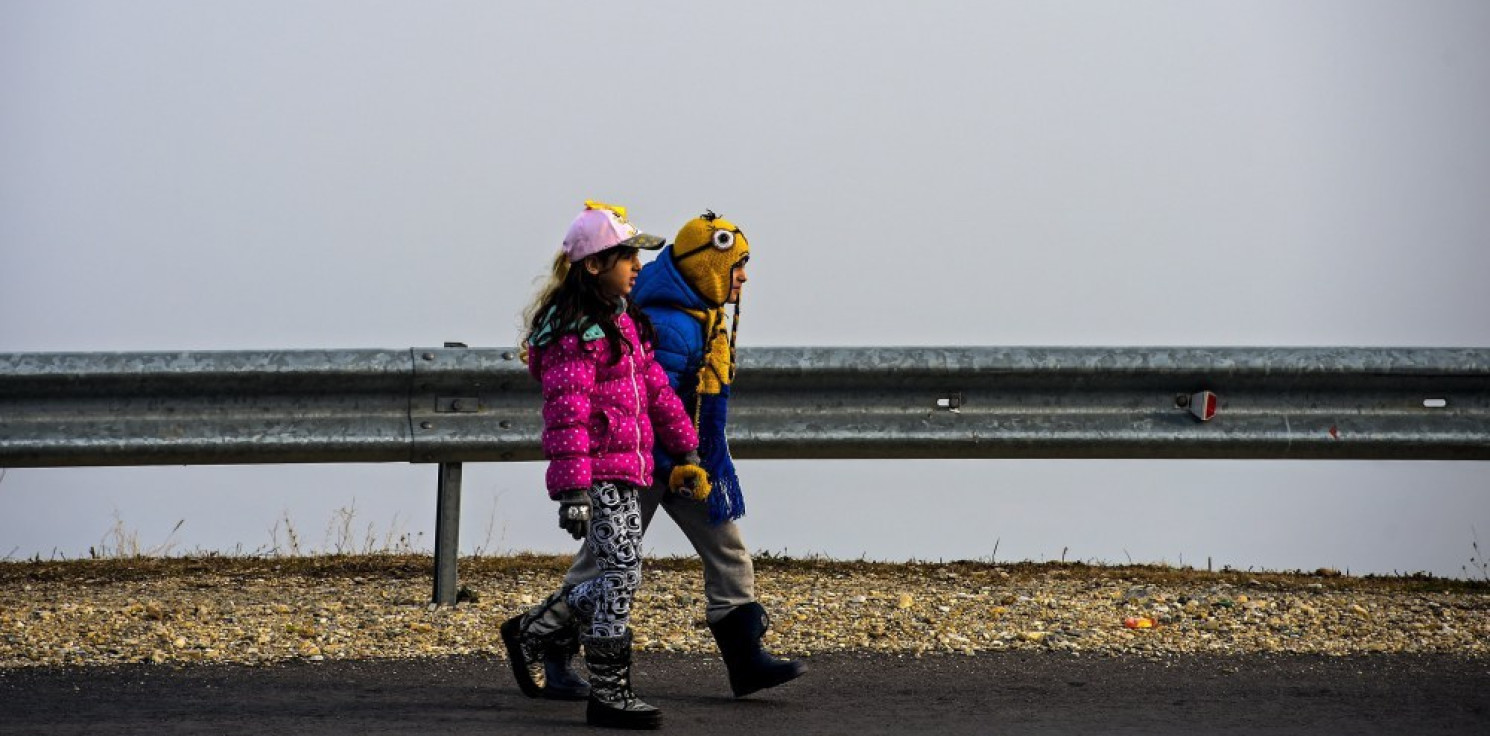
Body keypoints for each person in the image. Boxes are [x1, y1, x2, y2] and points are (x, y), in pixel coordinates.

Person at [507, 210, 806, 702]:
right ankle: (548, 642)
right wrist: (670, 464)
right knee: (607, 570)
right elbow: (618, 404)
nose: (744, 277)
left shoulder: (685, 318)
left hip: (675, 460)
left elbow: (663, 400)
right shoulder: (668, 325)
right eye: (737, 265)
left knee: (720, 549)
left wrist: (690, 450)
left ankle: (744, 658)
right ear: (709, 267)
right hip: (643, 466)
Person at [503, 201, 710, 730]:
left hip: (629, 468)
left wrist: (685, 447)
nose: (638, 267)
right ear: (594, 265)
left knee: (622, 572)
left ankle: (537, 629)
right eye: (627, 258)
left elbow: (657, 391)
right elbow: (566, 417)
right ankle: (609, 692)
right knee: (621, 573)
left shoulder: (627, 321)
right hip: (597, 475)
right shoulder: (574, 332)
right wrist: (573, 491)